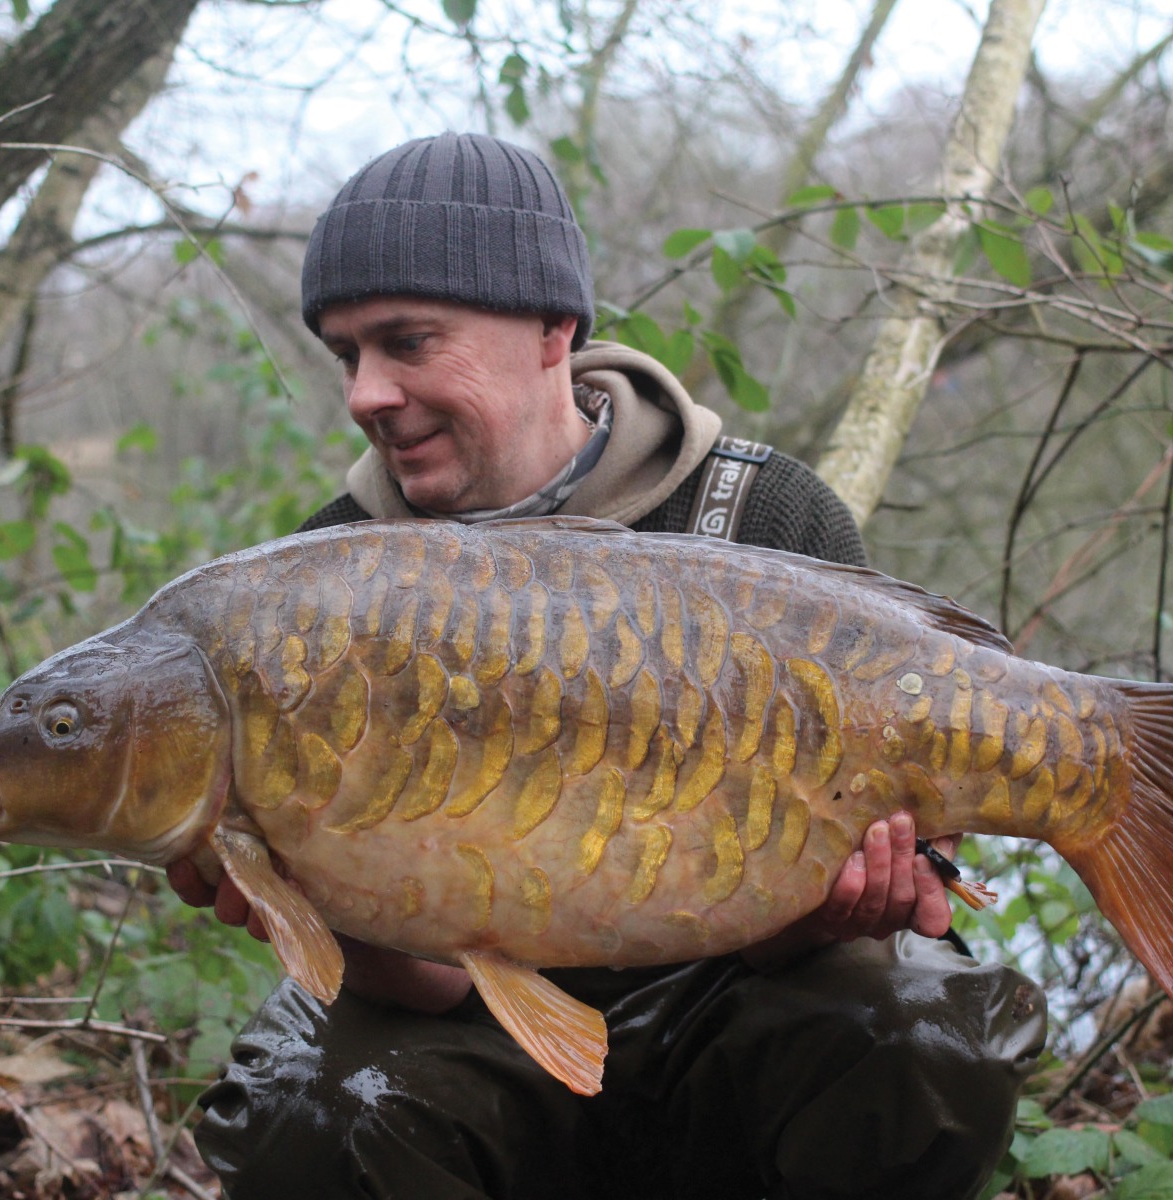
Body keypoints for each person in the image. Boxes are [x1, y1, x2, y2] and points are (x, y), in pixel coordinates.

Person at [167, 131, 1046, 1200]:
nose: (364, 393)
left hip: (736, 1006)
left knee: (918, 1038)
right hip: (478, 1031)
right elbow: (429, 983)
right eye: (347, 355)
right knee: (305, 1116)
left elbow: (824, 934)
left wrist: (837, 904)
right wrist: (293, 897)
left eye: (405, 342)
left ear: (553, 328)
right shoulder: (317, 585)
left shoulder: (762, 515)